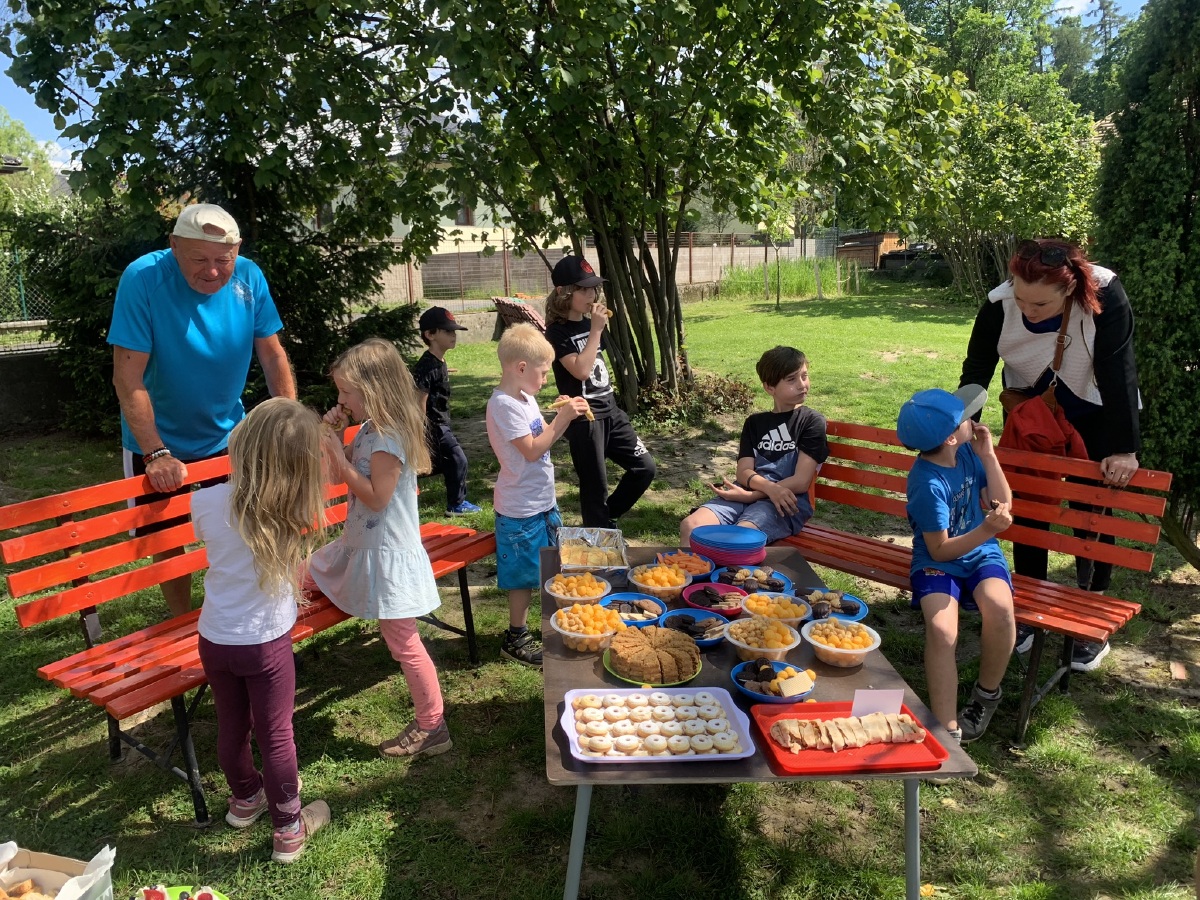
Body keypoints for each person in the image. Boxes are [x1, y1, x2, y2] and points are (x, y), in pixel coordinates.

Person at [960, 238, 1141, 672]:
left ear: (1069, 289)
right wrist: (963, 425)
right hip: (1032, 410)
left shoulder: (1106, 294)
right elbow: (977, 370)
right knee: (1028, 504)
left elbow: (1118, 371)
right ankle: (1028, 603)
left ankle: (1090, 614)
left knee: (1091, 510)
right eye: (1021, 297)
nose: (1027, 309)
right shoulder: (999, 304)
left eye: (1040, 304)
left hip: (1096, 409)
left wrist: (1124, 449)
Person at [109, 203, 296, 618]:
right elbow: (127, 377)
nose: (212, 271)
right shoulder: (143, 278)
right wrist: (156, 452)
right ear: (174, 245)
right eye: (199, 259)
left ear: (237, 251)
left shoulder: (249, 276)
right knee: (167, 540)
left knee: (246, 527)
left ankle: (246, 614)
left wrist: (289, 422)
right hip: (158, 438)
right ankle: (180, 622)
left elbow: (273, 356)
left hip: (228, 433)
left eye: (223, 260)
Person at [192, 398, 331, 863]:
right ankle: (288, 828)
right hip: (266, 643)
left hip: (214, 638)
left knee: (231, 725)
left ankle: (244, 798)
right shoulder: (292, 506)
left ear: (241, 444)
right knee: (275, 734)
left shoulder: (204, 502)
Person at [305, 338, 453, 759]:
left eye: (346, 392)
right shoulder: (370, 429)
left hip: (386, 555)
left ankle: (432, 725)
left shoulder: (388, 437)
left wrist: (338, 455)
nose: (340, 399)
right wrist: (333, 435)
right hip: (360, 546)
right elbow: (340, 473)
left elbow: (375, 497)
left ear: (373, 390)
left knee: (403, 640)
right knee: (298, 573)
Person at [898, 385, 1016, 743]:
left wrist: (988, 456)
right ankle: (947, 727)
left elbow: (1002, 501)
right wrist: (986, 529)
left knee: (1000, 608)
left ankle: (985, 696)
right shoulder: (926, 483)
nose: (973, 419)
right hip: (939, 560)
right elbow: (940, 551)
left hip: (982, 553)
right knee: (942, 630)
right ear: (950, 437)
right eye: (966, 418)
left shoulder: (966, 453)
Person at [486, 323, 589, 667]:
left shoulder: (524, 398)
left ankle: (547, 624)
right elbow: (532, 450)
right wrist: (561, 420)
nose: (545, 380)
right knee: (523, 576)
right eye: (543, 373)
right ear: (521, 368)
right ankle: (515, 636)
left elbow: (542, 435)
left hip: (542, 501)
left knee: (548, 564)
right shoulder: (503, 405)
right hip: (520, 509)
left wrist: (560, 419)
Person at [544, 255, 656, 528]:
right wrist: (596, 330)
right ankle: (598, 539)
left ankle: (608, 517)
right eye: (583, 290)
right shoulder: (556, 333)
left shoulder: (589, 323)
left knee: (645, 467)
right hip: (585, 420)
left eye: (593, 289)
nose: (591, 295)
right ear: (563, 292)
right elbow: (581, 371)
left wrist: (593, 329)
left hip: (611, 412)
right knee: (595, 488)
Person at [680, 346, 829, 547]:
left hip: (786, 501)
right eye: (791, 379)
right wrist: (759, 491)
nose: (802, 384)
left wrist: (753, 496)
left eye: (804, 376)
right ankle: (692, 569)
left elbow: (801, 481)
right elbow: (743, 472)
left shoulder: (811, 421)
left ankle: (719, 569)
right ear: (769, 388)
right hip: (745, 492)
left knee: (739, 538)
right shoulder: (755, 423)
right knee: (690, 526)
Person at [411, 306, 481, 516]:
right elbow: (419, 400)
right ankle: (456, 504)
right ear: (430, 335)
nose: (453, 335)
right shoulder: (427, 366)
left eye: (454, 331)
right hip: (433, 425)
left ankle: (405, 482)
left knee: (442, 463)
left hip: (441, 423)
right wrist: (420, 431)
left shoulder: (439, 361)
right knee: (458, 459)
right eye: (448, 331)